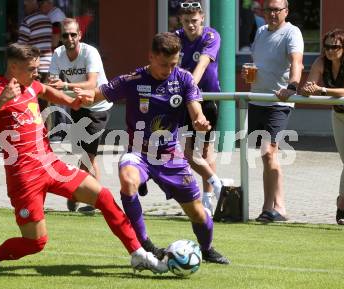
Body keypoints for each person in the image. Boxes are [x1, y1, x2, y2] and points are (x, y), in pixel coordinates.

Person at [0, 43, 167, 274]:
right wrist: (0, 102)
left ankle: (138, 254)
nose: (36, 73)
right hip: (24, 178)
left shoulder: (29, 85)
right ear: (13, 67)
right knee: (36, 243)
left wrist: (71, 102)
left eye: (36, 68)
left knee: (103, 196)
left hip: (51, 166)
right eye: (31, 68)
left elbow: (44, 90)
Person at [75, 32, 230, 264]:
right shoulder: (134, 79)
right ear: (151, 56)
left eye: (173, 64)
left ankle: (206, 249)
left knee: (197, 213)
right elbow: (100, 93)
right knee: (127, 179)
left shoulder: (184, 79)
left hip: (170, 156)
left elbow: (195, 109)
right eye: (163, 64)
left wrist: (199, 120)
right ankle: (145, 244)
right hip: (139, 152)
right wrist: (87, 96)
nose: (168, 70)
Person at [241, 0, 304, 222]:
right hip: (258, 99)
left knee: (269, 152)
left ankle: (273, 208)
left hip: (279, 102)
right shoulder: (260, 31)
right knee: (267, 156)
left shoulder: (292, 32)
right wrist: (248, 73)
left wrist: (292, 87)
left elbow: (297, 62)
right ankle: (276, 207)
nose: (273, 13)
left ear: (286, 11)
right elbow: (258, 62)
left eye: (277, 10)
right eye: (269, 9)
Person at [48, 18, 113, 214]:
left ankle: (81, 195)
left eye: (73, 34)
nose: (69, 38)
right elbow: (52, 81)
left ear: (80, 36)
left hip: (98, 106)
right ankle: (89, 198)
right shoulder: (58, 54)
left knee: (88, 155)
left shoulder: (89, 52)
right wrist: (53, 84)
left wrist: (65, 86)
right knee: (84, 155)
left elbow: (92, 84)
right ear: (61, 37)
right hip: (78, 106)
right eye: (66, 35)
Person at [175, 1, 225, 213]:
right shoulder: (176, 37)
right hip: (185, 100)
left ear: (202, 18)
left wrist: (189, 88)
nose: (190, 25)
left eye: (194, 20)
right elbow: (172, 65)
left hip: (207, 99)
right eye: (186, 21)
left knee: (206, 150)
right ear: (180, 21)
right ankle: (216, 183)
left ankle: (207, 199)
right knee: (186, 153)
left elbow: (202, 65)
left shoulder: (211, 36)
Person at [300, 29, 344, 225]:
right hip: (338, 115)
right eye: (327, 46)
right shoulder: (321, 62)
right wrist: (307, 89)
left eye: (335, 47)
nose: (330, 51)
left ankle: (341, 202)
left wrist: (321, 89)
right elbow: (308, 86)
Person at [18, 0, 53, 82]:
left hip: (35, 67)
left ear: (34, 3)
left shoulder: (27, 21)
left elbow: (20, 48)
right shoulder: (47, 20)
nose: (25, 6)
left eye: (26, 3)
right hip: (49, 66)